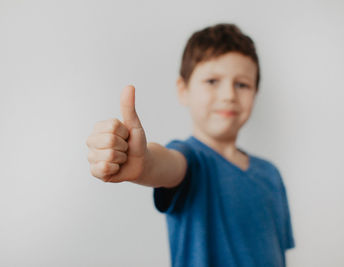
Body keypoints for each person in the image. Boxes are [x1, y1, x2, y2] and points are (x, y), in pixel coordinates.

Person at [86, 23, 295, 267]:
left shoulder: (271, 175)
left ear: (255, 93)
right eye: (212, 81)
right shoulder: (189, 159)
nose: (228, 95)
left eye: (242, 84)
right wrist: (144, 164)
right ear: (183, 90)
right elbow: (164, 164)